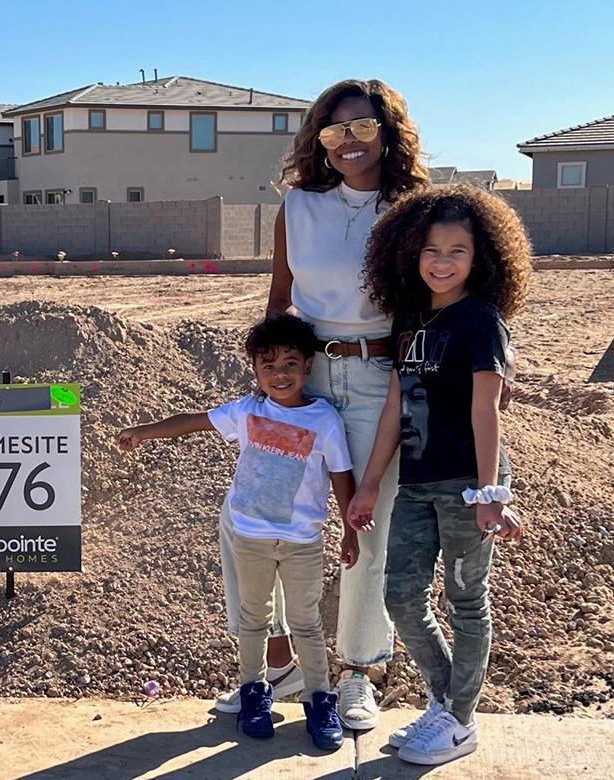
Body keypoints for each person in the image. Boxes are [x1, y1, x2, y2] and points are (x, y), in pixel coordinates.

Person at [215, 79, 431, 730]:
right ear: (321, 139)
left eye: (363, 127)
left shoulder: (412, 210)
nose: (348, 141)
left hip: (377, 378)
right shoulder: (298, 206)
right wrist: (271, 382)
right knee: (256, 517)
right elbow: (279, 297)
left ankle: (358, 672)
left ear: (388, 132)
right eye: (335, 130)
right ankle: (277, 660)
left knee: (367, 524)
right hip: (303, 379)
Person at [348, 185, 531, 765]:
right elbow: (394, 406)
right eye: (431, 249)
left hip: (468, 483)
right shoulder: (409, 318)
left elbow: (487, 411)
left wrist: (489, 494)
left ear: (481, 258)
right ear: (411, 252)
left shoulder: (481, 321)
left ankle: (459, 720)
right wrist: (370, 485)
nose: (442, 261)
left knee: (466, 600)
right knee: (400, 595)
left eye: (458, 250)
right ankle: (447, 702)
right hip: (416, 481)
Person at [117, 315, 358, 751]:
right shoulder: (247, 412)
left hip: (302, 541)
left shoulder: (324, 419)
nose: (279, 374)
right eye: (268, 366)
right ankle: (254, 695)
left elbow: (341, 474)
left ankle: (320, 701)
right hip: (250, 537)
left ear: (308, 366)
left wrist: (350, 529)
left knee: (306, 623)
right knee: (253, 619)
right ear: (255, 371)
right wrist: (144, 433)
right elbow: (193, 421)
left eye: (290, 364)